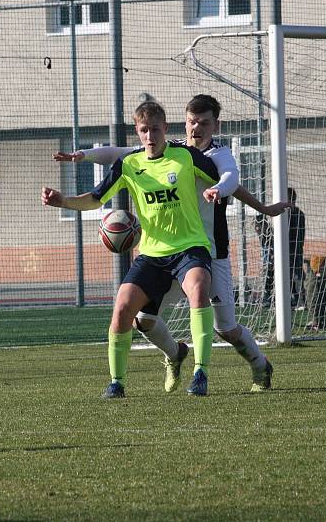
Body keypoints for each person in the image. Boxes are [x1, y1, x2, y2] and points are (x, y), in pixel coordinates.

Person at [53, 94, 291, 393]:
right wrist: (83, 155)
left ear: (215, 125)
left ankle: (260, 365)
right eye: (192, 122)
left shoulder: (217, 155)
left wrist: (228, 192)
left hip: (208, 251)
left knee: (225, 328)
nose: (196, 128)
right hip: (164, 252)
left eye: (204, 123)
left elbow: (232, 179)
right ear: (183, 122)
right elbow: (124, 152)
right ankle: (175, 354)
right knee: (143, 319)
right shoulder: (172, 149)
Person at [43, 101, 220, 398]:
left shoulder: (186, 156)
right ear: (138, 133)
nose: (150, 136)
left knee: (199, 291)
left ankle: (200, 373)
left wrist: (229, 190)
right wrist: (63, 201)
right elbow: (96, 199)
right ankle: (117, 383)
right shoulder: (130, 164)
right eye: (143, 130)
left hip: (190, 247)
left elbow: (224, 177)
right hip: (151, 254)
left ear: (165, 129)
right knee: (123, 308)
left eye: (155, 129)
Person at [287, 187, 306, 309]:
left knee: (297, 275)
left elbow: (300, 234)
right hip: (288, 250)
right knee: (288, 276)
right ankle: (292, 299)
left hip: (294, 249)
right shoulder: (286, 213)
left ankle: (302, 300)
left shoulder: (296, 214)